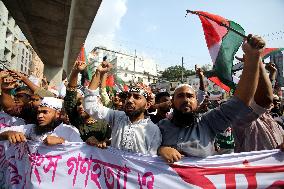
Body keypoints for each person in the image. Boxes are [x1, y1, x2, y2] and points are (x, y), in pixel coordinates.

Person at [157, 35, 269, 162]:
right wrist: (161, 150)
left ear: (196, 101)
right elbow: (142, 152)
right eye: (180, 96)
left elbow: (239, 102)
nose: (186, 100)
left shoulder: (208, 122)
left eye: (190, 96)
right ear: (172, 102)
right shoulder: (160, 127)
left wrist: (253, 57)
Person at [84, 61, 161, 155]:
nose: (129, 100)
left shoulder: (153, 130)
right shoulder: (117, 117)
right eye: (128, 96)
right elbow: (91, 106)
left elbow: (151, 164)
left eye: (137, 97)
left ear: (147, 105)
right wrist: (98, 73)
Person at [64, 60, 111, 146]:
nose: (80, 107)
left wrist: (100, 143)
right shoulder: (76, 120)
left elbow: (110, 144)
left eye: (85, 104)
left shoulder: (104, 123)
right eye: (78, 104)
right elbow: (70, 95)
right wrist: (75, 71)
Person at [0, 97, 82, 144]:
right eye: (38, 112)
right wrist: (9, 133)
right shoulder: (31, 129)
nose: (40, 116)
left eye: (45, 112)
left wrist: (63, 142)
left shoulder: (70, 131)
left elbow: (80, 152)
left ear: (57, 114)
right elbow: (1, 132)